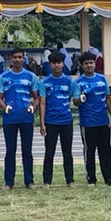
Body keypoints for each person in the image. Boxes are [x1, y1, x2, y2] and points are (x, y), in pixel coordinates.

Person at [0, 48, 42, 189]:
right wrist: (5, 107)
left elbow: (37, 98)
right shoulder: (4, 76)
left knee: (27, 150)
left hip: (26, 118)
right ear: (11, 59)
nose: (17, 60)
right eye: (15, 57)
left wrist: (33, 107)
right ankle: (9, 182)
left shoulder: (30, 76)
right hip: (10, 119)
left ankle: (29, 181)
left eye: (20, 57)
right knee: (10, 150)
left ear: (24, 59)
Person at [74, 53, 111, 185]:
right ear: (82, 65)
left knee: (106, 150)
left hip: (103, 121)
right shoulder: (78, 82)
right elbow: (75, 102)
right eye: (86, 63)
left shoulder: (102, 78)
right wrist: (81, 98)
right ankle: (91, 179)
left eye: (91, 62)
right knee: (90, 151)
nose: (89, 65)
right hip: (88, 122)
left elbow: (107, 98)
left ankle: (109, 178)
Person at [39, 52, 77, 186]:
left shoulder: (70, 81)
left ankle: (70, 180)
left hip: (66, 121)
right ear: (50, 64)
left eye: (59, 62)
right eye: (54, 63)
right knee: (49, 153)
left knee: (67, 152)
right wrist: (42, 123)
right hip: (50, 121)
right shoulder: (44, 82)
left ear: (63, 63)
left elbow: (74, 97)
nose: (57, 65)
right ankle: (47, 181)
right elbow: (42, 103)